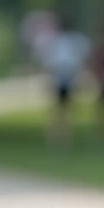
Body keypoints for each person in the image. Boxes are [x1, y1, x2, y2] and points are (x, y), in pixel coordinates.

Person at [39, 16, 90, 148]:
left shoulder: (62, 41)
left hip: (63, 77)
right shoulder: (66, 41)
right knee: (62, 110)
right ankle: (59, 137)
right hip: (63, 77)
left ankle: (61, 137)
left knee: (61, 110)